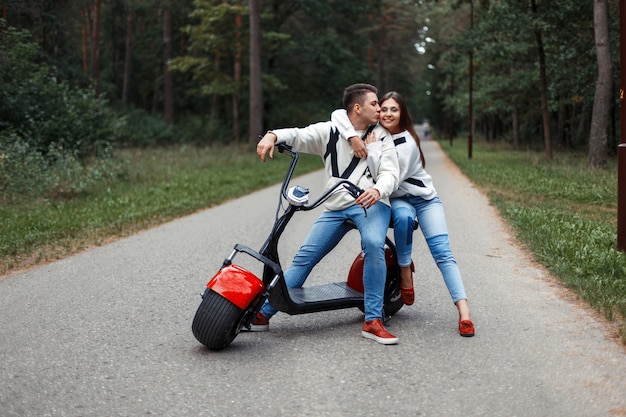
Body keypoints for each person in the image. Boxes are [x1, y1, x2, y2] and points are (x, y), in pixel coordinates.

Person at [253, 83, 401, 345]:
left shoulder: (382, 135)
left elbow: (391, 172)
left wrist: (379, 190)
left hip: (371, 203)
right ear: (357, 108)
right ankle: (262, 315)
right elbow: (299, 134)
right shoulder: (331, 131)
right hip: (336, 206)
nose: (379, 109)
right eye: (374, 104)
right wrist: (272, 136)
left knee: (374, 245)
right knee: (304, 257)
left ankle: (373, 319)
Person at [331, 91, 475, 337]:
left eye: (393, 110)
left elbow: (386, 179)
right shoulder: (375, 131)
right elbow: (337, 115)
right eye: (383, 108)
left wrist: (373, 150)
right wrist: (352, 136)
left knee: (442, 252)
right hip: (398, 200)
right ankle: (404, 270)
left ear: (402, 114)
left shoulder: (406, 142)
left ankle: (464, 313)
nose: (387, 113)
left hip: (424, 199)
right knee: (403, 217)